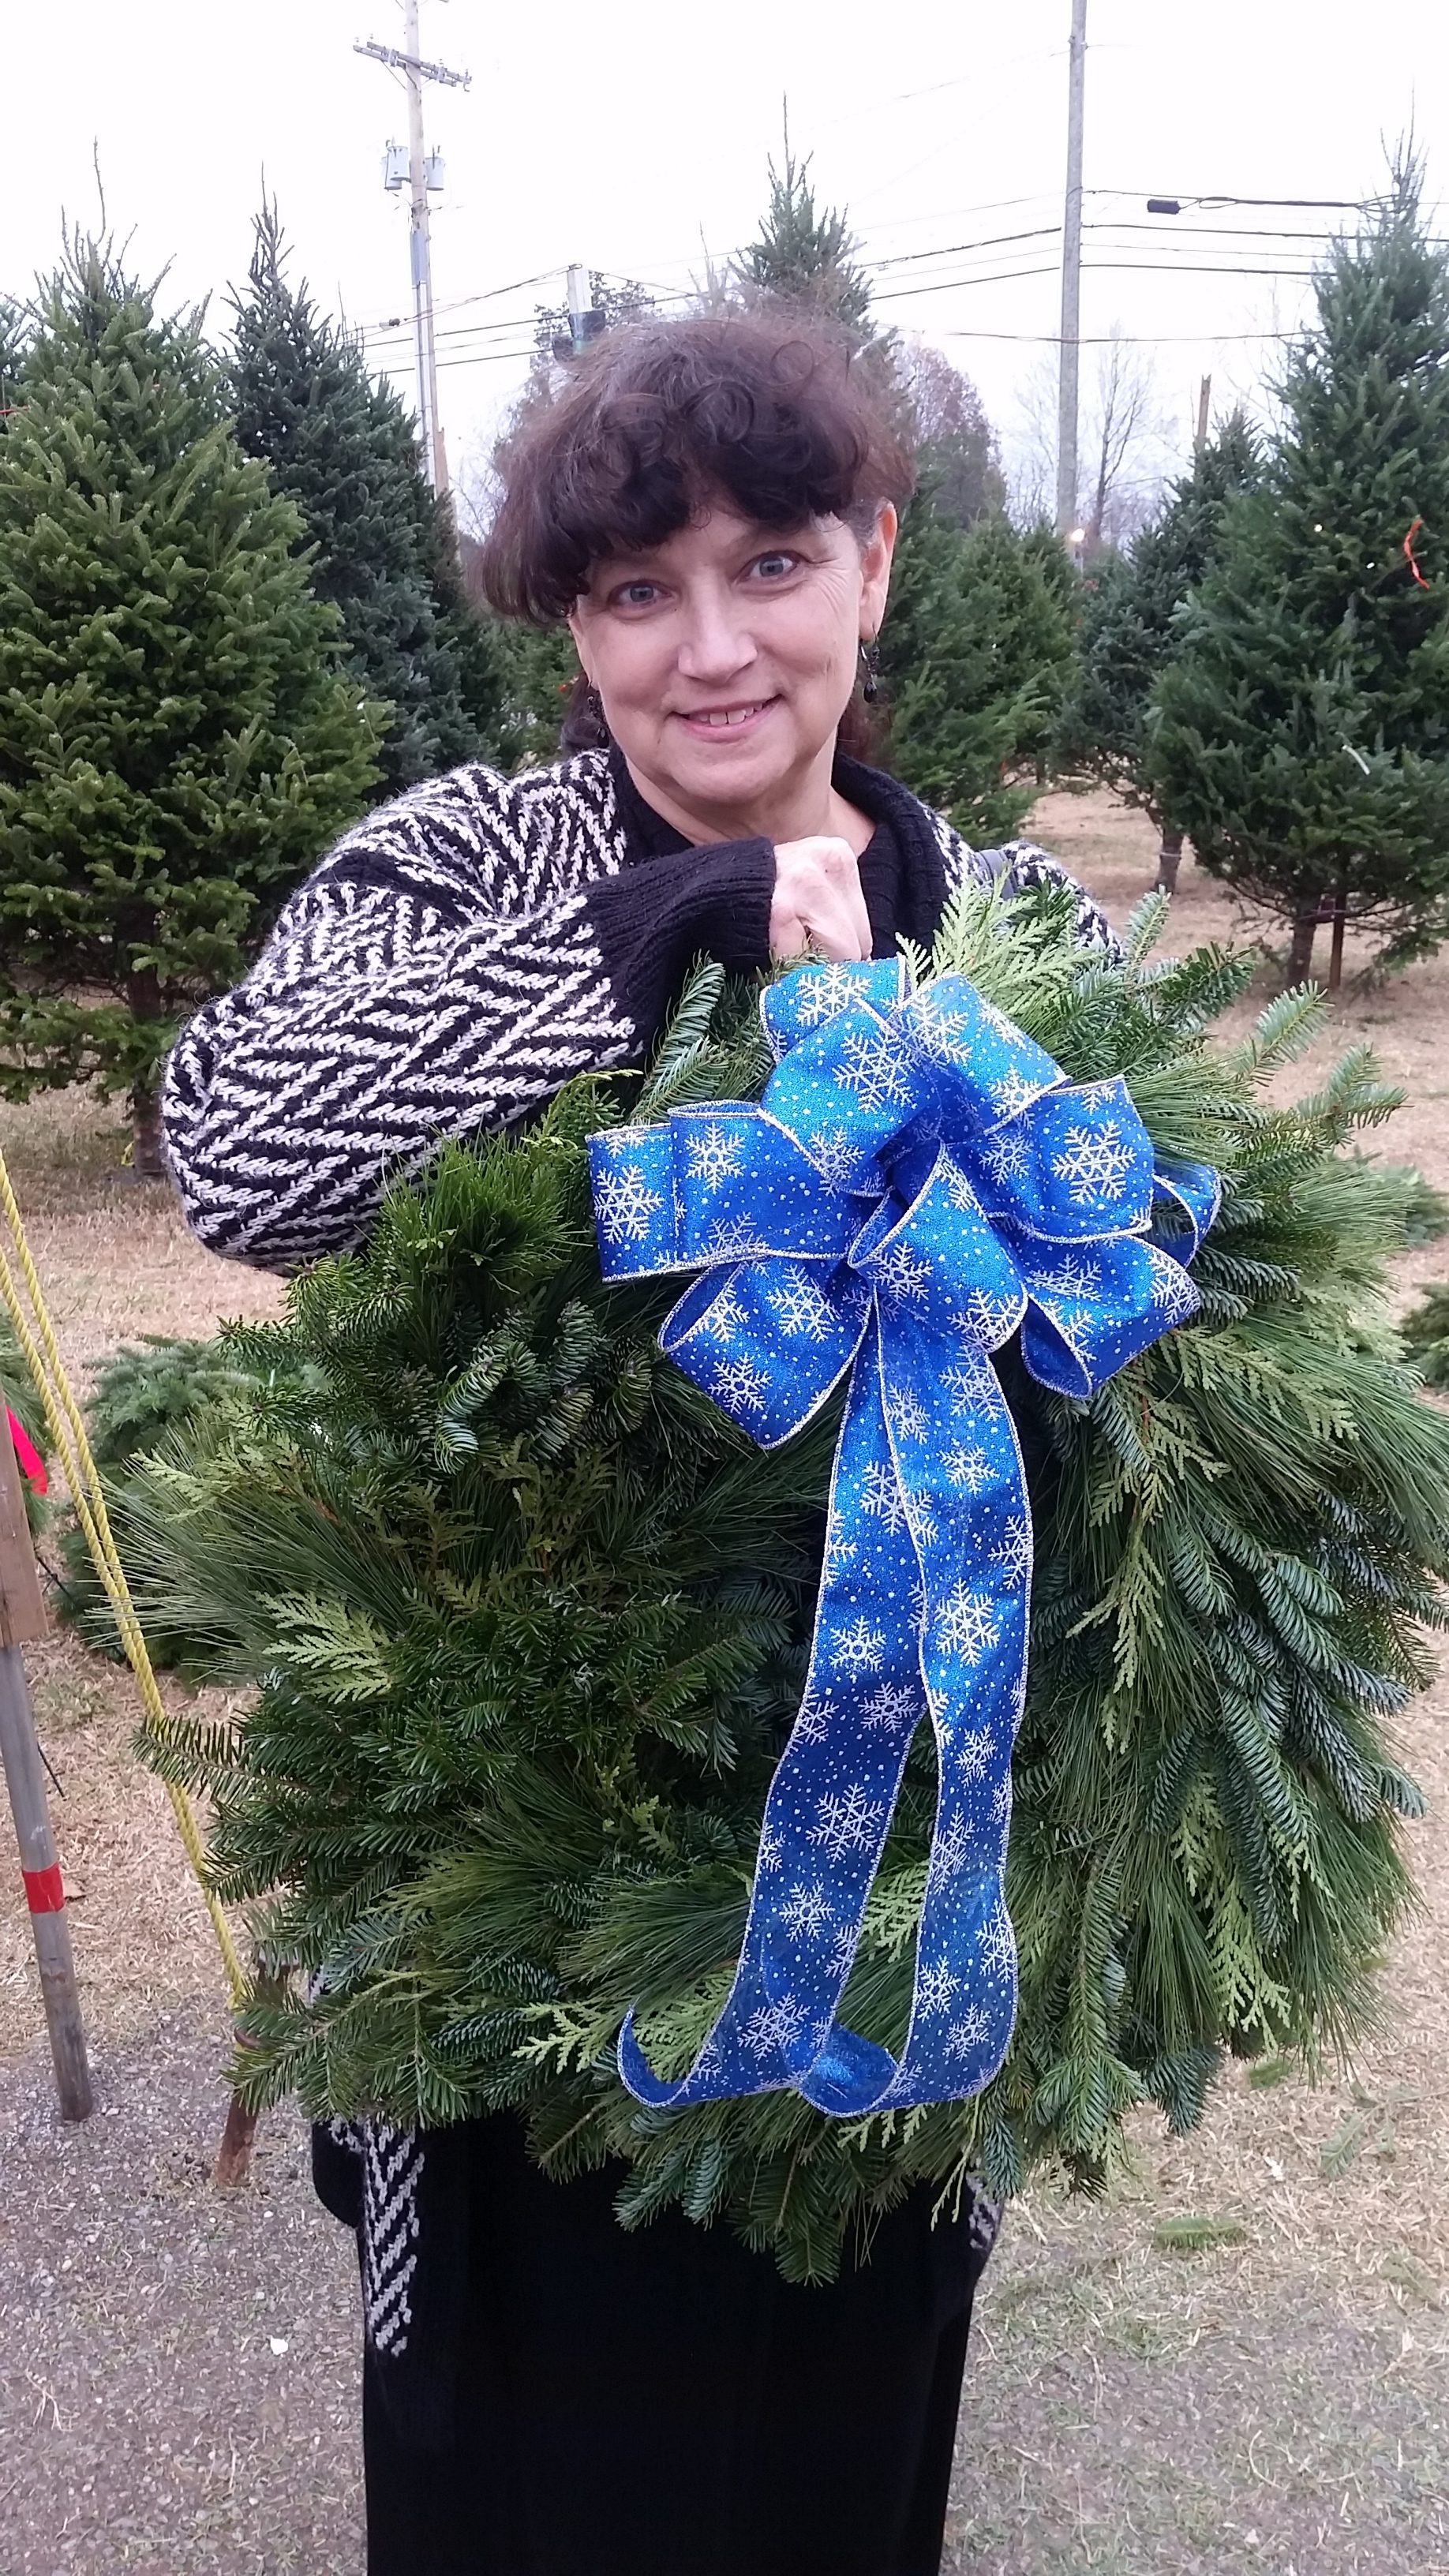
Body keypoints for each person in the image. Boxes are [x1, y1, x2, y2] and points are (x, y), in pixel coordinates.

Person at [163, 313, 1118, 2576]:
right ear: (573, 625)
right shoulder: (466, 859)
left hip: (893, 1912)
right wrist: (642, 950)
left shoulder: (1019, 930)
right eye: (630, 595)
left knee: (835, 2451)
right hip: (509, 1945)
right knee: (524, 2474)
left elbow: (1146, 1327)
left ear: (872, 564)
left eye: (768, 565)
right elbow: (236, 1146)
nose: (708, 651)